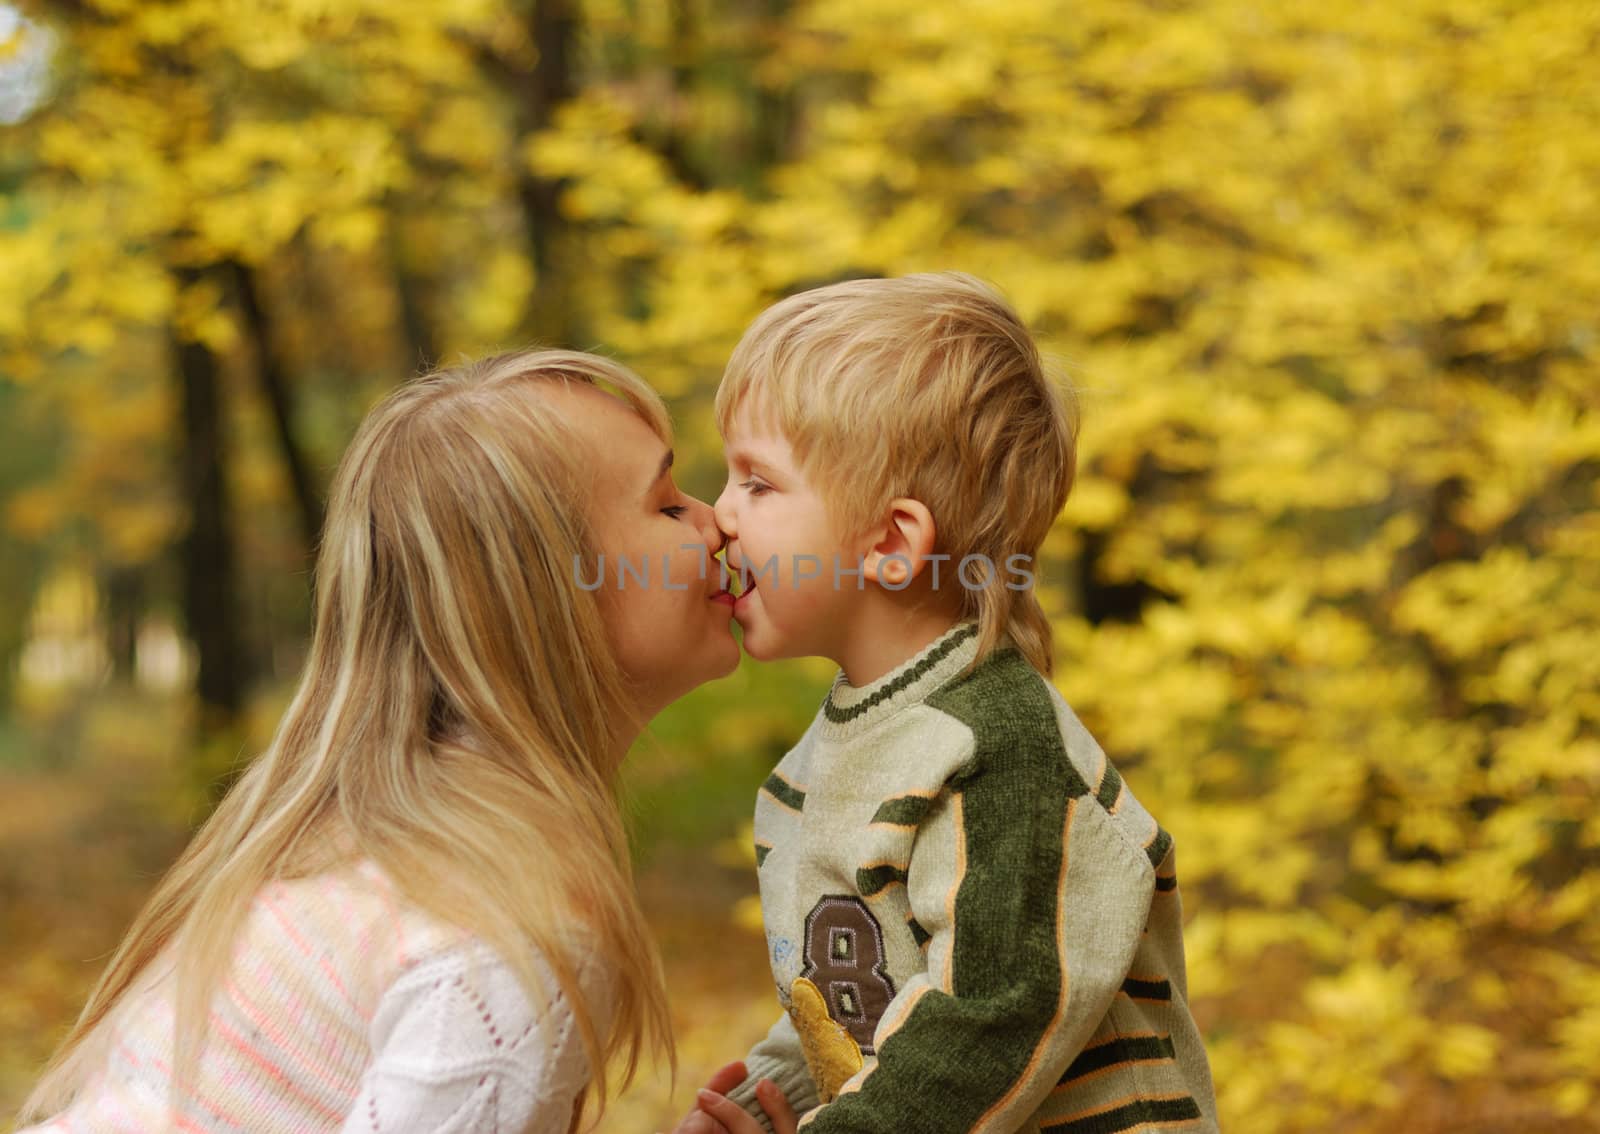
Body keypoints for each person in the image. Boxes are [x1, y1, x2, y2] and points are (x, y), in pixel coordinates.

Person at [15, 349, 743, 1133]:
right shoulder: (513, 929)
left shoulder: (396, 848)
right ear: (543, 597)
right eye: (667, 507)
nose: (720, 520)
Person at [686, 274, 1218, 1133]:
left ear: (890, 543)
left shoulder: (997, 747)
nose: (719, 515)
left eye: (758, 483)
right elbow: (862, 996)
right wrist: (760, 1097)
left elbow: (994, 1015)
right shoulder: (835, 751)